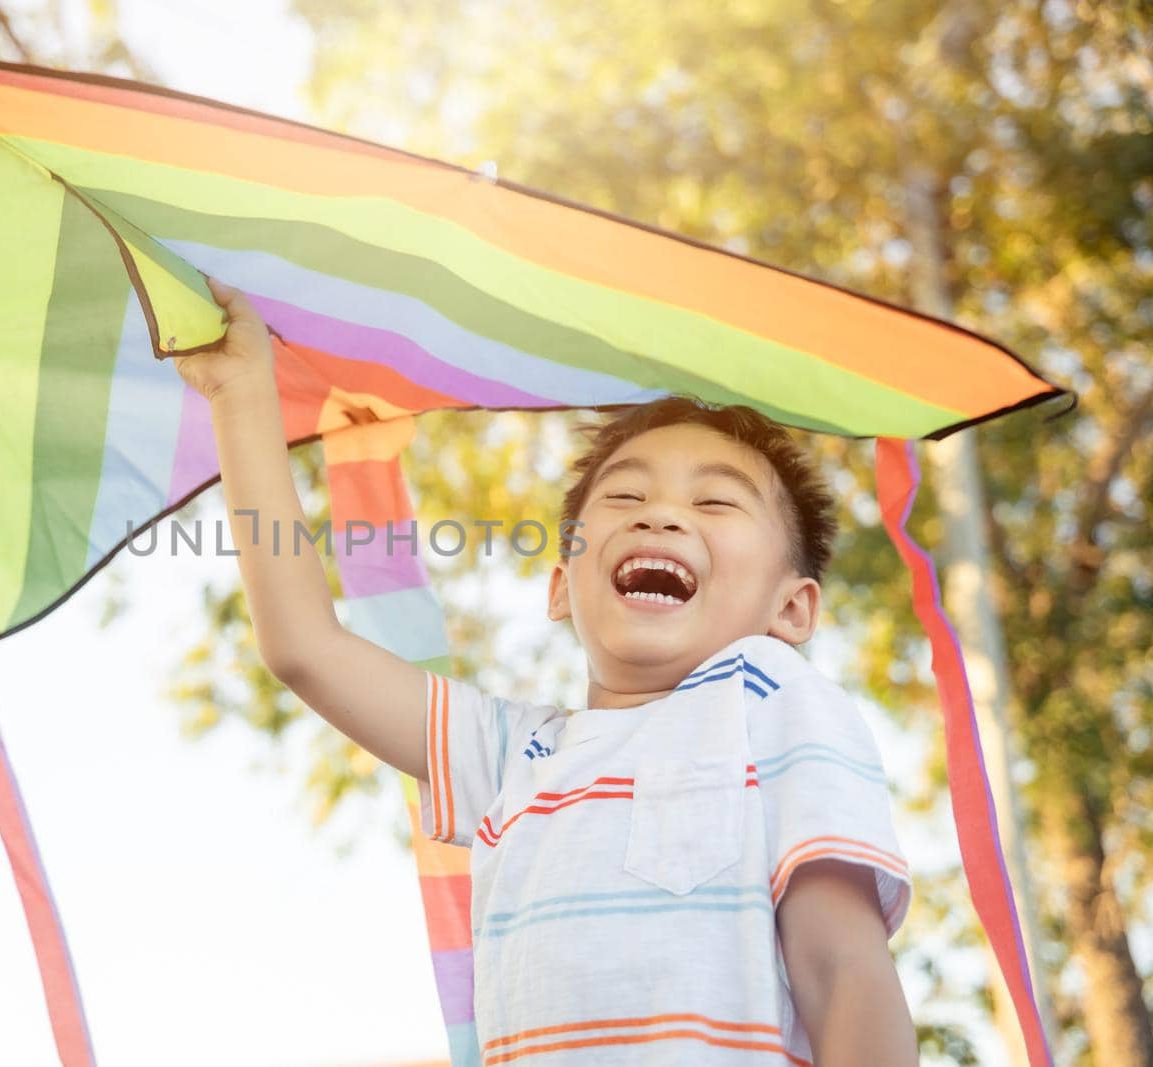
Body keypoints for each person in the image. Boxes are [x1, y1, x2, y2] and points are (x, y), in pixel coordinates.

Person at [174, 275, 919, 1066]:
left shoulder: (778, 703)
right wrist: (240, 396)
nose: (659, 513)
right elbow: (304, 646)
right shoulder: (514, 754)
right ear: (562, 585)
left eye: (716, 505)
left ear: (793, 610)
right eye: (625, 494)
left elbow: (842, 970)